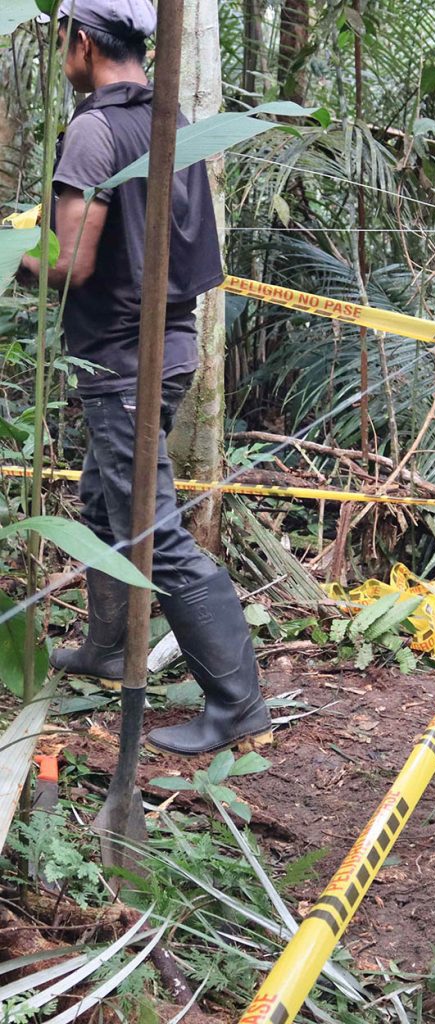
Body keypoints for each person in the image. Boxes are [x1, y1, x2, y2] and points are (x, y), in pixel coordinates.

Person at [18, 0, 273, 755]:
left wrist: (11, 255)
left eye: (63, 42)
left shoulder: (95, 129)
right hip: (167, 347)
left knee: (152, 530)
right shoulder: (170, 119)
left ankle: (238, 704)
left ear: (83, 42)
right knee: (104, 505)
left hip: (122, 359)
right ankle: (107, 649)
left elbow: (71, 262)